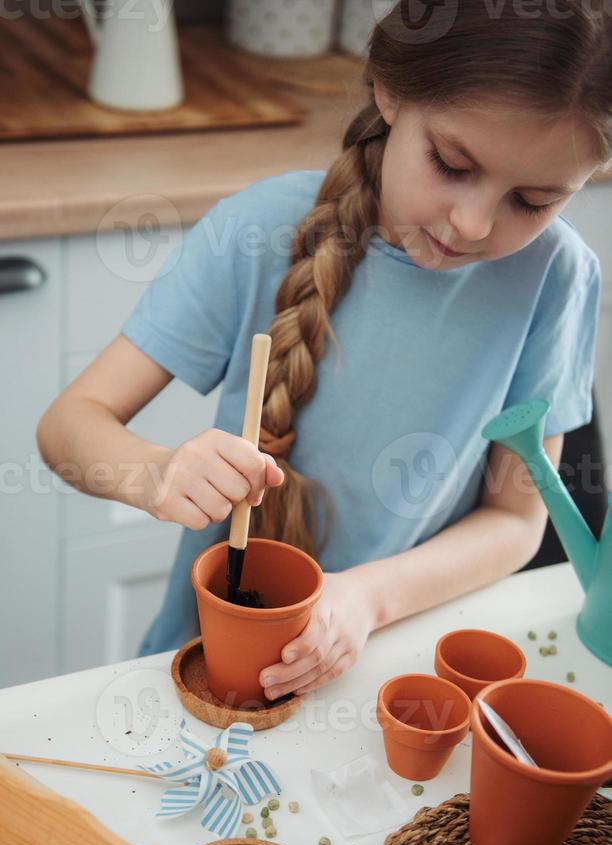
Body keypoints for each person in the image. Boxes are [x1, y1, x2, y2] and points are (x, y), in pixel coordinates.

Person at [37, 0, 611, 701]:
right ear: (389, 89)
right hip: (207, 671)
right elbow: (70, 425)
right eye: (452, 164)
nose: (472, 223)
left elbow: (518, 520)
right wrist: (154, 476)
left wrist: (365, 601)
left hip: (391, 672)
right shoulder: (258, 230)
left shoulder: (556, 277)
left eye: (532, 200)